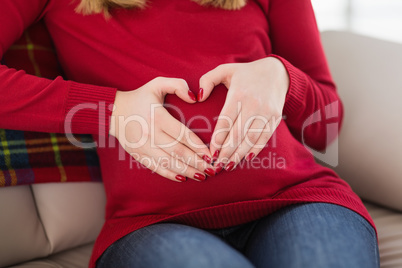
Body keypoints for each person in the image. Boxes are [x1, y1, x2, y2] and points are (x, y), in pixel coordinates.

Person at [0, 0, 379, 267]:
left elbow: (325, 124)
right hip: (153, 225)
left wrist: (282, 77)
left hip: (302, 201)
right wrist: (111, 109)